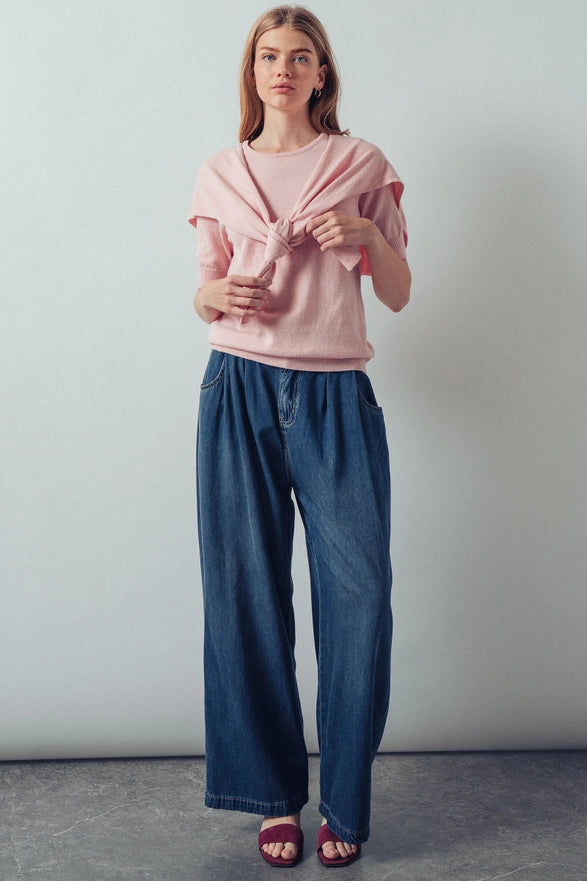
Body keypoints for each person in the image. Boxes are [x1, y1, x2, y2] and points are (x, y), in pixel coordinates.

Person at [188, 5, 410, 868]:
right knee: (243, 596)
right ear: (252, 72)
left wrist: (360, 237)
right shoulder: (219, 172)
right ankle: (273, 797)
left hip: (334, 396)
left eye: (301, 56)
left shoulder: (360, 164)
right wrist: (215, 298)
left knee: (358, 600)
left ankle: (344, 801)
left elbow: (396, 290)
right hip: (234, 387)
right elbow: (201, 291)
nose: (282, 68)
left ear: (323, 75)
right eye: (268, 55)